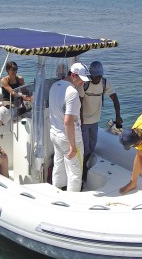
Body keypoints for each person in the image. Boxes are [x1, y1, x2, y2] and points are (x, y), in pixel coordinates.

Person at [77, 61, 123, 182]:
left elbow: (114, 98)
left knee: (92, 145)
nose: (97, 78)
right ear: (90, 75)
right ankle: (82, 170)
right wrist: (80, 120)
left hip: (95, 120)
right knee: (85, 147)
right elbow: (80, 102)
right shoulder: (85, 84)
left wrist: (118, 115)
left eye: (99, 76)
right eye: (95, 76)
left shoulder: (104, 83)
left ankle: (84, 166)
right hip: (84, 121)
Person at [49, 62, 91, 192]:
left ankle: (57, 191)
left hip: (55, 134)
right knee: (75, 173)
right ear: (73, 75)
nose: (83, 83)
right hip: (69, 138)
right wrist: (73, 145)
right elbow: (68, 121)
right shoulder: (72, 93)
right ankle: (72, 200)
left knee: (59, 165)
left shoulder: (54, 86)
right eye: (81, 80)